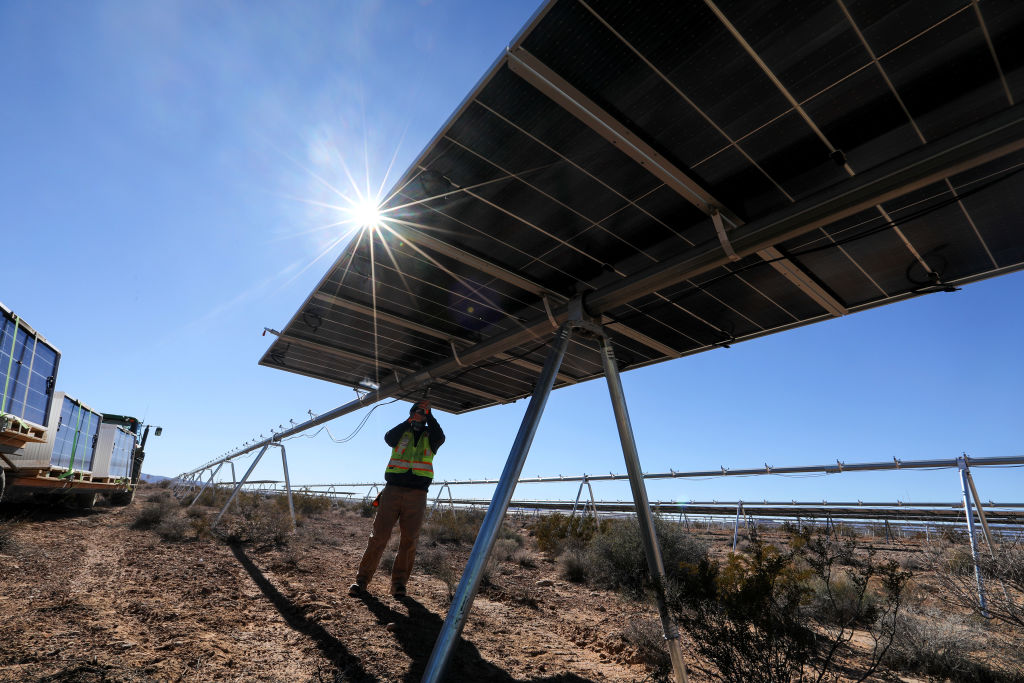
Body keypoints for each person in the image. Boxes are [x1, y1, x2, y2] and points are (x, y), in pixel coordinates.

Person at [350, 399, 444, 599]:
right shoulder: (402, 432)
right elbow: (389, 438)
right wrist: (410, 419)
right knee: (378, 537)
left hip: (417, 495)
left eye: (423, 413)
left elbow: (441, 436)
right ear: (411, 414)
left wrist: (430, 415)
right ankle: (362, 580)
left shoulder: (431, 436)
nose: (420, 415)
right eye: (417, 412)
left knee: (409, 540)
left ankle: (399, 584)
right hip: (392, 491)